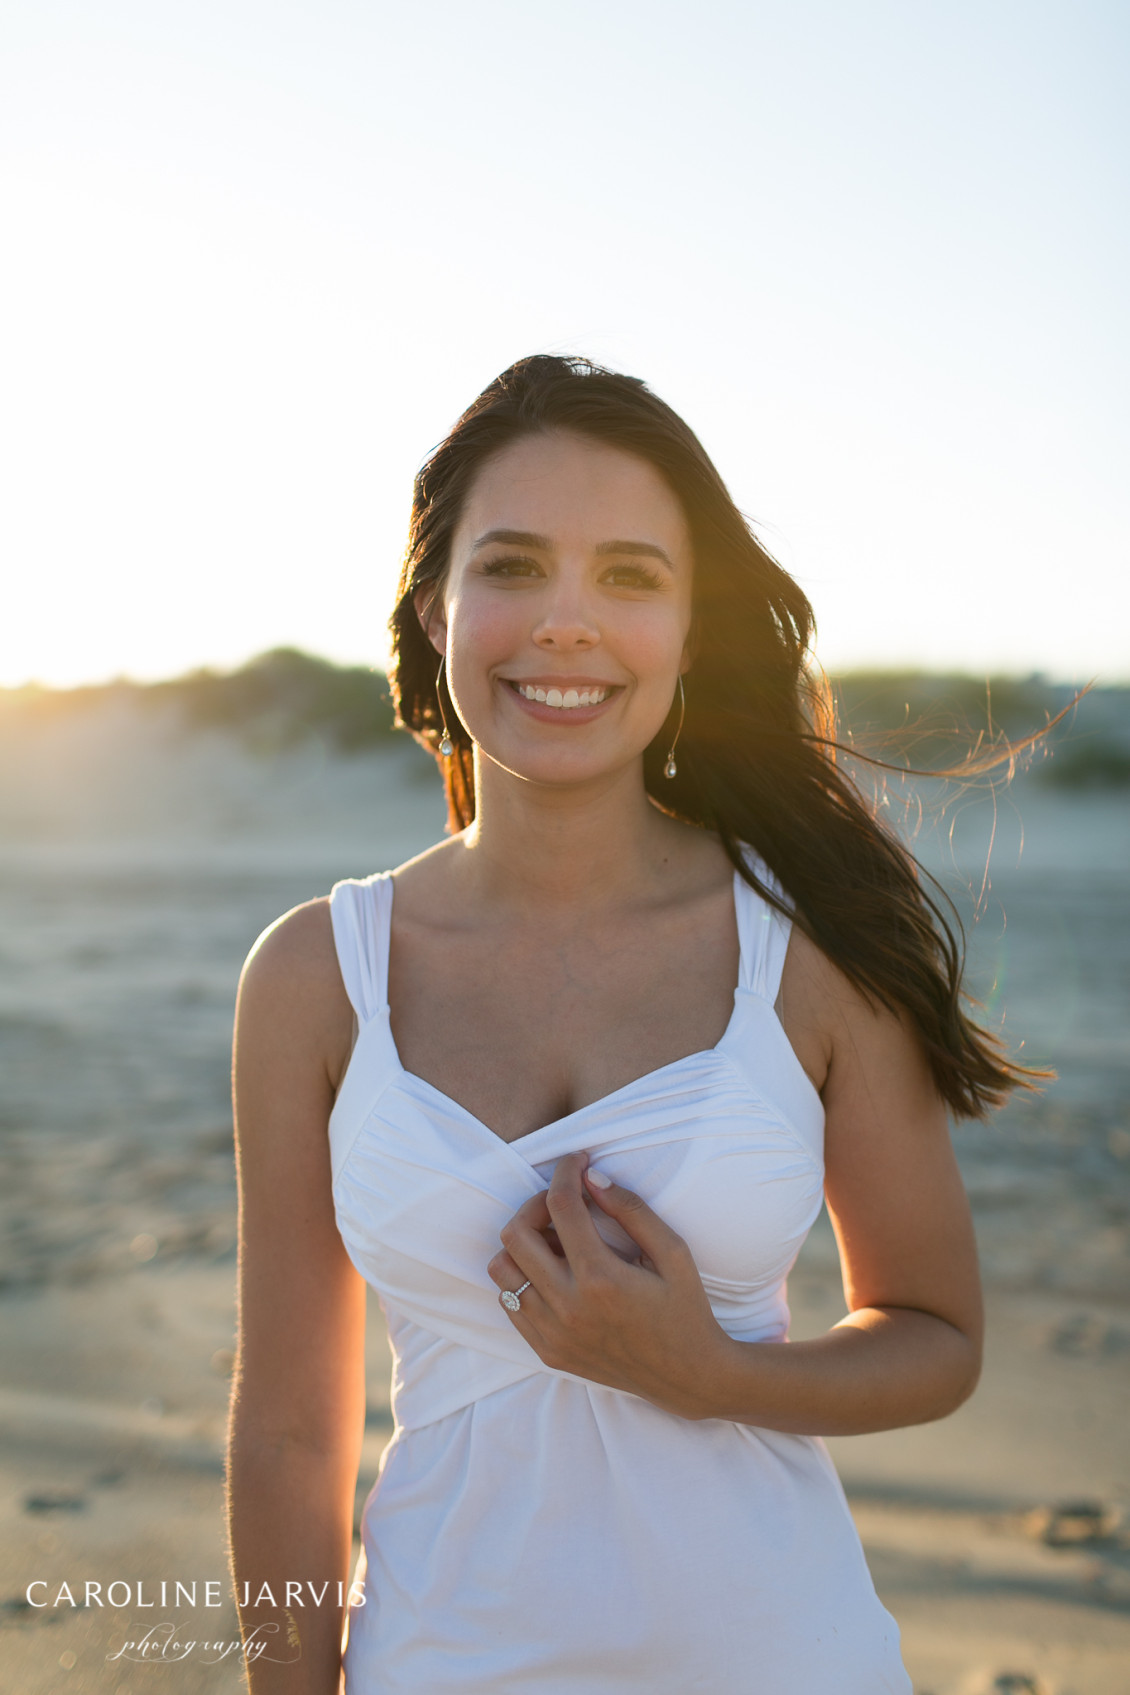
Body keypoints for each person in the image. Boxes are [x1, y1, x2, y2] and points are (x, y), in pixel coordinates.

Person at [226, 355, 1040, 1693]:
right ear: (432, 607)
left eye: (628, 577)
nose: (564, 625)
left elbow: (934, 1338)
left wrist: (707, 1371)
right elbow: (288, 1438)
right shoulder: (318, 975)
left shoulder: (810, 952)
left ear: (689, 626)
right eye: (510, 567)